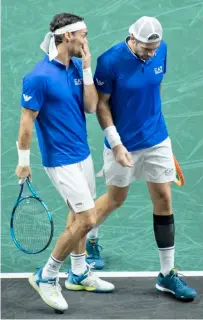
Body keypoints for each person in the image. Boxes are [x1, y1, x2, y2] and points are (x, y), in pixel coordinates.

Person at [86, 16, 197, 300]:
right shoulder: (109, 61)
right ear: (131, 38)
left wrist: (158, 133)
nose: (151, 53)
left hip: (157, 140)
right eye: (147, 48)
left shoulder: (162, 50)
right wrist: (116, 143)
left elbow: (154, 87)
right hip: (122, 143)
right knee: (115, 199)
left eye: (155, 48)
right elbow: (101, 104)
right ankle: (90, 239)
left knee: (164, 198)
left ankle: (167, 274)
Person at [15, 13, 114, 313]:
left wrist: (85, 69)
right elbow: (26, 122)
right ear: (67, 36)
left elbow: (90, 106)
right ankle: (46, 276)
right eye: (83, 35)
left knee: (77, 214)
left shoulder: (74, 68)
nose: (86, 40)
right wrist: (23, 160)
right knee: (87, 219)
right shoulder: (38, 77)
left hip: (82, 154)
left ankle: (80, 272)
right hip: (60, 160)